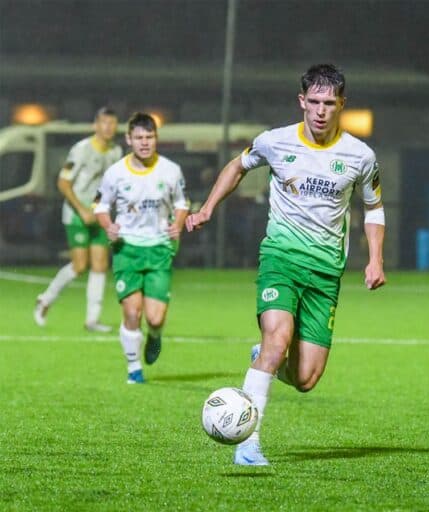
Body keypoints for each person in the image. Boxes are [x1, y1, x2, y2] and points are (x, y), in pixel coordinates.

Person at [185, 64, 386, 466]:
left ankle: (265, 358)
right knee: (278, 342)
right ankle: (248, 442)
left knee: (307, 379)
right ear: (302, 102)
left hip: (326, 272)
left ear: (341, 104)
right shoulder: (275, 141)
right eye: (314, 102)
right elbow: (237, 167)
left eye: (330, 103)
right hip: (281, 258)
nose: (321, 111)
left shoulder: (360, 155)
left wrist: (375, 259)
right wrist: (208, 207)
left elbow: (374, 207)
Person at [94, 112, 189, 384]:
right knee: (132, 312)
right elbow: (100, 205)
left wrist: (178, 223)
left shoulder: (170, 170)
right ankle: (134, 369)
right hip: (127, 249)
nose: (144, 143)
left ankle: (155, 337)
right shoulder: (115, 173)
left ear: (156, 138)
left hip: (160, 248)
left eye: (149, 137)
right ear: (128, 139)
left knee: (155, 319)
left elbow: (182, 203)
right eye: (139, 138)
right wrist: (108, 225)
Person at [34, 107, 123, 331]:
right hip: (76, 214)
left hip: (99, 214)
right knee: (79, 265)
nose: (108, 127)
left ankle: (92, 320)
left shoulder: (116, 151)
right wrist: (83, 210)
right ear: (96, 125)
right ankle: (46, 299)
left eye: (112, 123)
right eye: (104, 123)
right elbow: (63, 183)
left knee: (101, 265)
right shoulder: (81, 150)